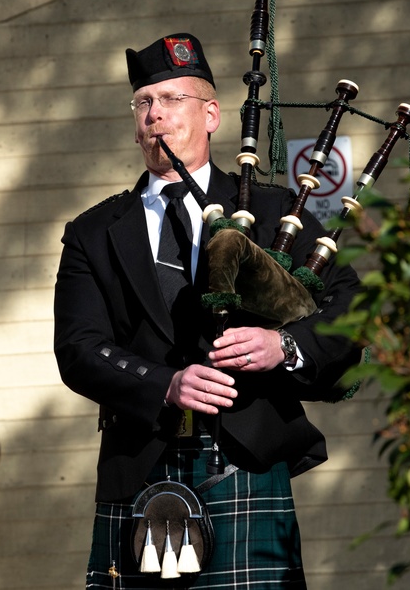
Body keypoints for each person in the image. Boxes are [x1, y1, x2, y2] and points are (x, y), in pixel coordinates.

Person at [53, 33, 362, 588]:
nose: (154, 116)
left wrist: (283, 347)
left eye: (172, 100)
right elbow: (78, 349)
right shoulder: (94, 231)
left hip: (245, 460)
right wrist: (163, 383)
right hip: (139, 463)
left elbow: (350, 307)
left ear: (212, 114)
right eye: (143, 102)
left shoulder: (270, 212)